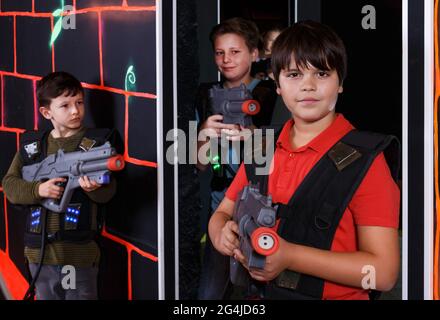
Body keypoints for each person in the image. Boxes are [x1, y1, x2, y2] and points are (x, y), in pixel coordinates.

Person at [208, 20, 400, 300]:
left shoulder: (364, 161)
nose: (308, 86)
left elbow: (383, 273)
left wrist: (290, 257)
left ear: (340, 83)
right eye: (294, 74)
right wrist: (221, 233)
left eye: (321, 73)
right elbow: (220, 214)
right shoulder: (262, 146)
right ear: (277, 84)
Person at [2, 71, 120, 300]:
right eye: (65, 105)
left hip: (79, 255)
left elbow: (109, 191)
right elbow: (10, 185)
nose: (75, 111)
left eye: (79, 102)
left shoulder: (96, 145)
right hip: (39, 256)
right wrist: (39, 190)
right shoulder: (33, 147)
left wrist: (94, 190)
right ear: (47, 112)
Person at [196, 17, 277, 299]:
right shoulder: (206, 96)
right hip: (222, 200)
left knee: (262, 284)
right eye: (220, 52)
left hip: (265, 198)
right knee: (212, 290)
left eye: (235, 51)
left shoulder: (273, 95)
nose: (226, 59)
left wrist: (255, 136)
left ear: (255, 54)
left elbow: (283, 154)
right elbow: (200, 163)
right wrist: (205, 132)